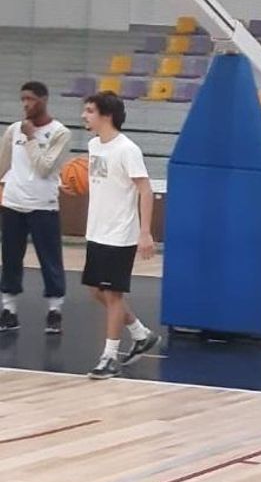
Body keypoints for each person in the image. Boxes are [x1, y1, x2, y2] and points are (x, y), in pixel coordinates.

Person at [79, 92, 160, 379]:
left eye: (89, 111)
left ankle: (109, 357)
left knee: (113, 295)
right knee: (95, 290)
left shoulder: (128, 149)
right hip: (97, 229)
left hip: (120, 233)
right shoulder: (93, 145)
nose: (84, 115)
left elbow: (145, 190)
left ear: (106, 115)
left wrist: (145, 231)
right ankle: (140, 333)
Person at [1, 81, 70, 334]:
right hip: (13, 203)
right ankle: (9, 309)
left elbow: (44, 167)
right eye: (22, 99)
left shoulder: (60, 132)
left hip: (44, 205)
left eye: (30, 99)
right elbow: (3, 164)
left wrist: (31, 137)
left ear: (43, 99)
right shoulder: (12, 130)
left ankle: (55, 310)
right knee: (9, 258)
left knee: (50, 259)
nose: (25, 104)